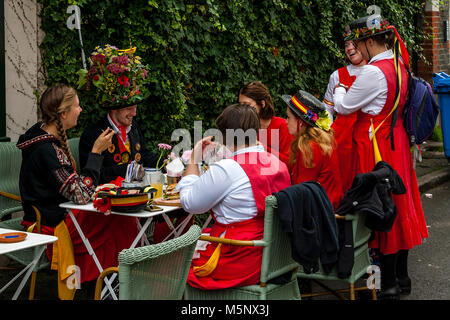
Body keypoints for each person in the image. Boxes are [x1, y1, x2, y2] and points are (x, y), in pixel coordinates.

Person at [333, 15, 428, 299]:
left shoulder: (373, 73)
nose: (357, 48)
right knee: (398, 203)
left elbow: (346, 106)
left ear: (370, 41)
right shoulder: (398, 64)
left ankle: (385, 284)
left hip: (375, 145)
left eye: (360, 42)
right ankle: (401, 277)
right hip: (395, 141)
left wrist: (339, 89)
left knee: (379, 205)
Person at [178, 103, 291, 290]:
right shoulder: (277, 163)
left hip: (238, 259)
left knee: (173, 265)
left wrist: (193, 160)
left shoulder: (229, 168)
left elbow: (189, 203)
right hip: (274, 258)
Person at [17, 83, 114, 298]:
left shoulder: (41, 136)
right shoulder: (46, 150)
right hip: (48, 223)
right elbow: (80, 194)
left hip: (55, 212)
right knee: (113, 220)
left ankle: (99, 284)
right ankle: (99, 285)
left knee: (110, 216)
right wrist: (96, 153)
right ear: (63, 113)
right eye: (77, 106)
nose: (81, 110)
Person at [282, 89, 343, 210]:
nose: (286, 121)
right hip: (327, 207)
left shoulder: (310, 147)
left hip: (320, 214)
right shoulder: (319, 141)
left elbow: (301, 191)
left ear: (300, 122)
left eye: (288, 117)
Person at [322, 40, 367, 192]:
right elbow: (327, 108)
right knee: (342, 179)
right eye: (346, 45)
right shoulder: (337, 75)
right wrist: (327, 130)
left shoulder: (374, 71)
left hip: (366, 136)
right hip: (341, 139)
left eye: (354, 44)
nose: (349, 48)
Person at [238, 81, 294, 166]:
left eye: (247, 105)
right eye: (240, 105)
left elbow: (290, 164)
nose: (242, 109)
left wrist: (261, 147)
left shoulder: (283, 126)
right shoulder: (244, 127)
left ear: (262, 104)